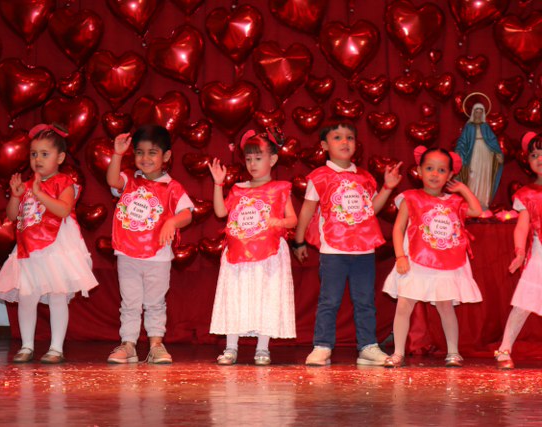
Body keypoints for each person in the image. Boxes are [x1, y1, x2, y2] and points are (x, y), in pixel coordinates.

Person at [292, 120, 402, 366]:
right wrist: (298, 242)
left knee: (365, 301)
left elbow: (371, 209)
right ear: (324, 145)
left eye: (349, 138)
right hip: (333, 249)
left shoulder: (365, 177)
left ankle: (368, 346)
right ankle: (322, 346)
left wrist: (387, 188)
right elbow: (307, 210)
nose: (344, 142)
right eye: (337, 137)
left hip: (364, 249)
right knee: (329, 300)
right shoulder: (319, 177)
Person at [0, 123, 98, 364]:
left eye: (44, 154)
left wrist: (40, 194)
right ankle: (27, 345)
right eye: (33, 154)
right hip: (28, 249)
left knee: (57, 295)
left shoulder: (64, 182)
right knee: (27, 296)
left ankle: (56, 348)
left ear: (60, 158)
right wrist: (16, 195)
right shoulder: (28, 185)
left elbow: (63, 209)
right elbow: (12, 216)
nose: (37, 159)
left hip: (55, 248)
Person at [382, 146, 483, 368]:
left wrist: (463, 189)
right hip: (415, 260)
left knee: (445, 306)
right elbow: (398, 229)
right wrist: (400, 256)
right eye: (429, 168)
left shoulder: (454, 202)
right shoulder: (411, 198)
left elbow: (476, 211)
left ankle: (453, 352)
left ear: (450, 175)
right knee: (404, 304)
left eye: (441, 170)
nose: (435, 174)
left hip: (445, 263)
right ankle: (398, 353)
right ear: (419, 170)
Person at [208, 129, 297, 366]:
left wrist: (279, 222)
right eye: (248, 159)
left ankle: (262, 348)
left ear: (273, 159)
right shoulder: (238, 189)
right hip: (238, 253)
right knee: (235, 296)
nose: (253, 164)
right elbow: (220, 212)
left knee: (266, 296)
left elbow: (293, 219)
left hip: (268, 253)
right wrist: (218, 183)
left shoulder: (280, 188)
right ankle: (231, 347)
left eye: (258, 158)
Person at [106, 124, 193, 364]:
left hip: (158, 256)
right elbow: (112, 179)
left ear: (166, 156)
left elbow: (187, 214)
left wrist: (172, 221)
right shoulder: (129, 180)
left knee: (155, 302)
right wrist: (117, 154)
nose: (145, 158)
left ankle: (156, 344)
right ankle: (128, 344)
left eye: (152, 152)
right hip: (127, 252)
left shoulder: (172, 187)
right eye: (140, 152)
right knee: (130, 302)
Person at [495, 132, 542, 370]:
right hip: (539, 256)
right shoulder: (527, 194)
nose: (539, 159)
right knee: (523, 303)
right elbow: (522, 226)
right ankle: (504, 349)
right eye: (534, 155)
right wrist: (520, 252)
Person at [455, 102, 503, 210]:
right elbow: (462, 141)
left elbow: (493, 141)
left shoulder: (485, 127)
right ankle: (472, 200)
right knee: (473, 174)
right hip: (473, 152)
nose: (478, 114)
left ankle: (483, 202)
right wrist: (458, 150)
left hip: (486, 153)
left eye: (481, 112)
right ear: (473, 113)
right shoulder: (469, 127)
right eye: (477, 112)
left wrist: (498, 153)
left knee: (484, 175)